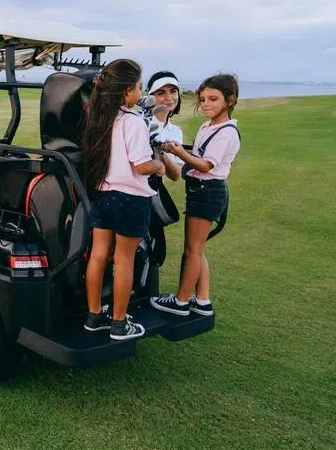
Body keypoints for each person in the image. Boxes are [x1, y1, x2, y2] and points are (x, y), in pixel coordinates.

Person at [82, 59, 166, 340]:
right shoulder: (132, 121)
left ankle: (94, 316)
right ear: (128, 90)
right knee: (124, 260)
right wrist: (159, 165)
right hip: (129, 199)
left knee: (98, 255)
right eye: (139, 86)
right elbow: (142, 165)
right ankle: (119, 323)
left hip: (102, 194)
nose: (141, 92)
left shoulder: (98, 116)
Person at [151, 74, 241, 317]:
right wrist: (177, 149)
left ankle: (180, 302)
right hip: (199, 192)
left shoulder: (226, 132)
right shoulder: (207, 126)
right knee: (197, 249)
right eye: (203, 100)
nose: (206, 104)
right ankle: (201, 300)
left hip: (207, 192)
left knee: (192, 250)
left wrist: (179, 152)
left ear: (230, 100)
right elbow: (199, 152)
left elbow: (204, 165)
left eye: (213, 99)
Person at [146, 70, 185, 180]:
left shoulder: (175, 131)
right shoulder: (139, 121)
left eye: (173, 91)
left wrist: (160, 150)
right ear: (150, 97)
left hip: (153, 189)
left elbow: (176, 175)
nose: (169, 97)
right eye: (161, 93)